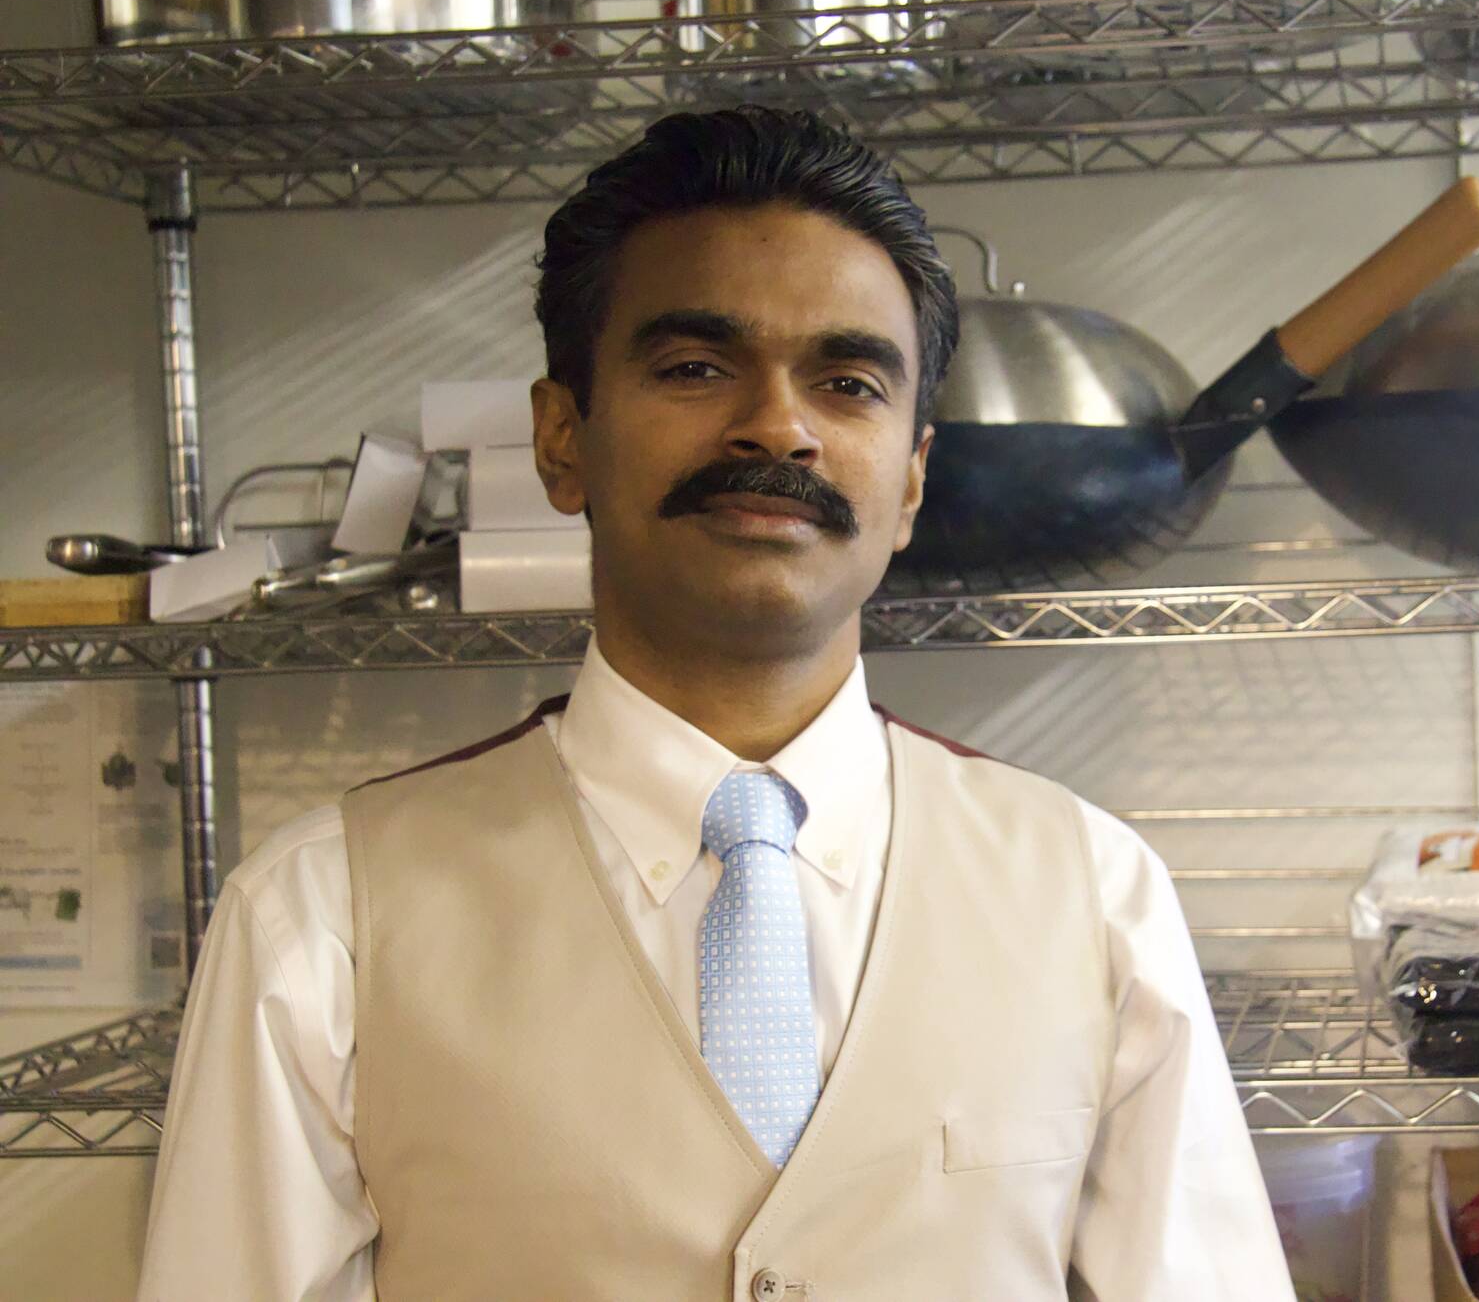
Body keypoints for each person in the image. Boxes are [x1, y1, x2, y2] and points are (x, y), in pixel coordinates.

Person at [136, 106, 1294, 1301]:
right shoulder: (320, 918)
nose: (776, 427)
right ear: (559, 439)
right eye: (693, 367)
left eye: (846, 382)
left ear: (908, 482)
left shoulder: (1094, 897)